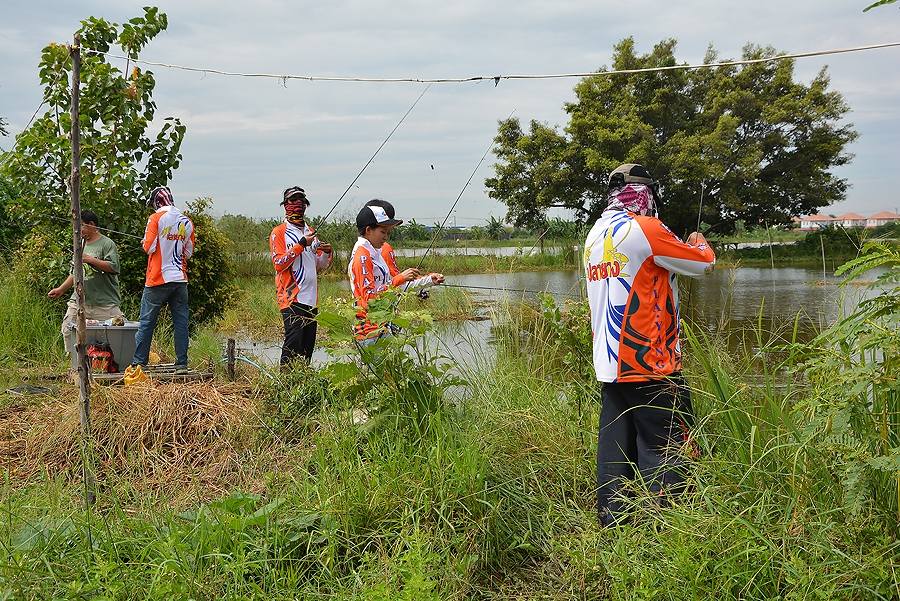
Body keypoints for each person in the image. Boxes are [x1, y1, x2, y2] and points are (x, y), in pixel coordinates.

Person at [583, 163, 715, 526]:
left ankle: (614, 526)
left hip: (609, 367)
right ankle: (670, 527)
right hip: (651, 364)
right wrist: (696, 240)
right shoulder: (647, 228)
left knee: (614, 451)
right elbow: (704, 264)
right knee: (668, 446)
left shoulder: (594, 235)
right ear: (646, 195)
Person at [348, 202, 444, 346]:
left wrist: (429, 280)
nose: (386, 237)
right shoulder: (362, 256)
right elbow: (367, 299)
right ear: (368, 230)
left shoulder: (375, 252)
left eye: (388, 232)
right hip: (369, 331)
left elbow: (393, 290)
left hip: (383, 325)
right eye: (383, 232)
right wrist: (399, 278)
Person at [131, 186, 195, 374]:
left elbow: (148, 247)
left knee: (147, 322)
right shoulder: (187, 221)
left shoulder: (155, 218)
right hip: (180, 279)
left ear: (156, 202)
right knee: (181, 322)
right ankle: (181, 363)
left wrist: (146, 242)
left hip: (158, 278)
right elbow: (188, 253)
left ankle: (139, 363)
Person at [269, 186, 333, 365]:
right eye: (292, 200)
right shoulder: (279, 232)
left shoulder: (311, 231)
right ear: (285, 205)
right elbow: (279, 264)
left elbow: (319, 266)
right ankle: (285, 385)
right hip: (291, 298)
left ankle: (302, 385)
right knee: (293, 343)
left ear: (306, 204)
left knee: (307, 347)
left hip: (311, 299)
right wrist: (301, 245)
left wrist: (327, 253)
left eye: (301, 201)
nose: (298, 204)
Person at [48, 210, 124, 355]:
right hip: (79, 301)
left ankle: (105, 364)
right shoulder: (79, 244)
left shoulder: (107, 244)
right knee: (68, 329)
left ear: (91, 225)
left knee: (113, 334)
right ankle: (73, 364)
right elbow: (74, 273)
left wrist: (91, 260)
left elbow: (114, 267)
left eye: (80, 225)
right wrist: (61, 289)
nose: (77, 229)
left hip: (104, 303)